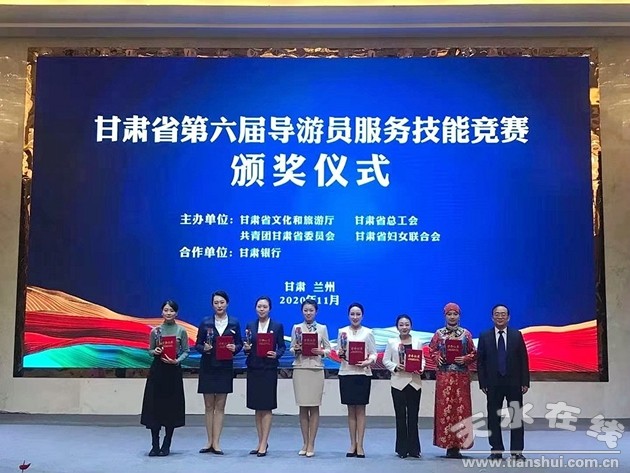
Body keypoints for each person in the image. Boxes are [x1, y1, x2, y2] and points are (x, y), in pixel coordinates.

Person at [477, 304, 530, 461]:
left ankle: (517, 451)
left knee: (516, 417)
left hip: (514, 383)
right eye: (497, 314)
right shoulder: (485, 335)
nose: (500, 317)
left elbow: (523, 359)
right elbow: (480, 362)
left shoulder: (516, 335)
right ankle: (496, 450)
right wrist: (483, 383)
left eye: (503, 314)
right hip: (493, 383)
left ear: (508, 317)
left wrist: (525, 381)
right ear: (492, 317)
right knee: (493, 417)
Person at [195, 290, 242, 454]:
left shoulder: (234, 323)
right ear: (212, 305)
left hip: (225, 367)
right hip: (208, 366)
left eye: (222, 302)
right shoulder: (205, 322)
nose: (219, 305)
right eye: (216, 303)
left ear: (227, 304)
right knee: (209, 406)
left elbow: (239, 344)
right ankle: (208, 441)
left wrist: (234, 348)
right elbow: (197, 344)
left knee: (220, 406)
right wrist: (204, 348)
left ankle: (216, 442)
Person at [140, 300, 189, 457]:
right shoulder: (155, 331)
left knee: (170, 408)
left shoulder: (181, 331)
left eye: (171, 311)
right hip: (158, 371)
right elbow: (149, 350)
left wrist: (177, 360)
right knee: (154, 407)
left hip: (173, 371)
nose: (168, 313)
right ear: (162, 312)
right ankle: (155, 445)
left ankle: (166, 444)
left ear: (176, 313)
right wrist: (154, 351)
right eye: (166, 310)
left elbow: (186, 351)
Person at [428, 302, 477, 459]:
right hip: (444, 377)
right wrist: (437, 357)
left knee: (461, 410)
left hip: (461, 378)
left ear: (459, 316)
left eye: (455, 314)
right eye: (449, 314)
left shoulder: (466, 334)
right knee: (445, 410)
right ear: (445, 316)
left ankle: (459, 444)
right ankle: (448, 445)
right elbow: (431, 350)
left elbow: (474, 353)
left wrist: (466, 358)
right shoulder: (439, 334)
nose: (452, 317)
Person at [243, 296, 286, 457]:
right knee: (257, 407)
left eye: (265, 307)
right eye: (259, 306)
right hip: (254, 368)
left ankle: (264, 442)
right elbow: (248, 346)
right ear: (255, 308)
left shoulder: (277, 326)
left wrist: (276, 354)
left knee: (267, 406)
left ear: (270, 309)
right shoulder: (250, 325)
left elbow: (282, 347)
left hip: (268, 369)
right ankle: (261, 441)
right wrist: (247, 348)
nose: (262, 309)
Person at [290, 298, 331, 458]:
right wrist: (296, 349)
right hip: (300, 368)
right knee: (302, 407)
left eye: (311, 310)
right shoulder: (296, 328)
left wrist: (321, 352)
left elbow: (328, 349)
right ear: (302, 311)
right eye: (305, 310)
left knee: (314, 407)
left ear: (316, 312)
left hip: (316, 369)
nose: (308, 313)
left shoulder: (322, 328)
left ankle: (311, 444)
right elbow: (291, 348)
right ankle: (304, 442)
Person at [337, 302, 377, 458]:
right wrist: (340, 353)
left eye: (358, 314)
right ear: (348, 315)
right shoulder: (342, 332)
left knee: (360, 410)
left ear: (362, 316)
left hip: (362, 374)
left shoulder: (368, 332)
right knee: (350, 410)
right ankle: (352, 443)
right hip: (346, 373)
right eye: (352, 314)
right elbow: (338, 351)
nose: (355, 317)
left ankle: (360, 445)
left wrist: (368, 361)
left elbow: (373, 354)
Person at [383, 314, 425, 458]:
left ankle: (414, 449)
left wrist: (421, 368)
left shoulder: (418, 341)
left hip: (414, 383)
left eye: (407, 324)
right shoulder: (392, 342)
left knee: (413, 417)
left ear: (411, 326)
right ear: (397, 327)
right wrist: (395, 367)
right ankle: (402, 449)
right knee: (400, 417)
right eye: (401, 325)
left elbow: (422, 359)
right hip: (398, 383)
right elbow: (386, 360)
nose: (404, 327)